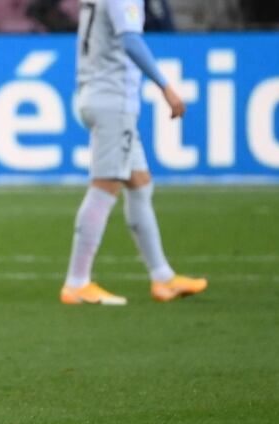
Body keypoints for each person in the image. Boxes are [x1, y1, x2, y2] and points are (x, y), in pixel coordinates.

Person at [61, 0, 207, 305]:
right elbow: (130, 40)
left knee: (140, 184)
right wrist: (166, 87)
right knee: (105, 187)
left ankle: (163, 277)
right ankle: (77, 282)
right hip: (113, 100)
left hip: (96, 93)